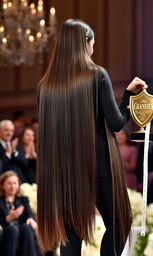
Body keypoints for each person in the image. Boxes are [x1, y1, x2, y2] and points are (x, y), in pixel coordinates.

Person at [37, 19, 147, 256]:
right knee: (119, 223)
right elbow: (117, 123)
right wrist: (127, 95)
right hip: (98, 164)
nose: (93, 48)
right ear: (85, 43)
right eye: (92, 43)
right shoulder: (96, 74)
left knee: (70, 232)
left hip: (61, 170)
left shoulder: (45, 86)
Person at [0, 171, 40, 256]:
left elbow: (29, 213)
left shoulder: (23, 199)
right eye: (9, 183)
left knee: (27, 227)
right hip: (7, 229)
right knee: (13, 229)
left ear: (18, 184)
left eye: (15, 183)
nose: (13, 186)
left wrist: (30, 218)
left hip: (22, 228)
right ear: (2, 185)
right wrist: (8, 218)